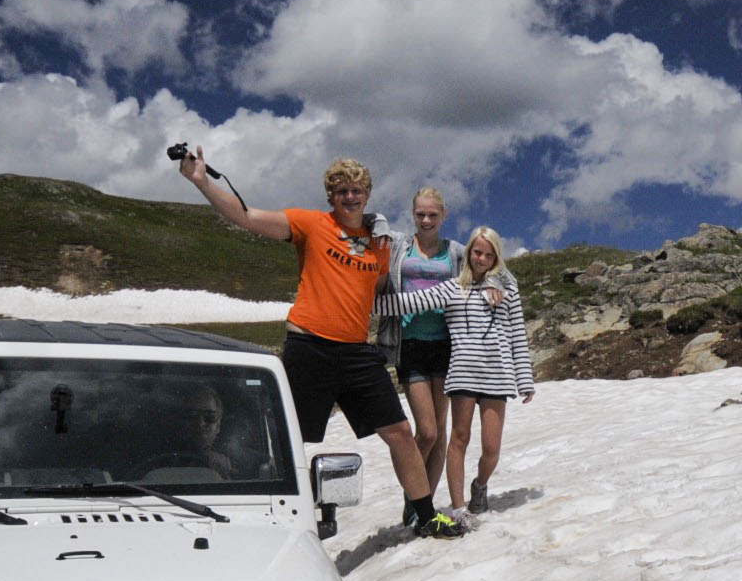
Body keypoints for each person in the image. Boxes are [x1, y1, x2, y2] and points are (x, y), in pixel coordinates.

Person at [176, 147, 464, 539]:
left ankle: (425, 515)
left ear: (368, 194)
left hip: (358, 352)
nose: (350, 196)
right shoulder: (309, 224)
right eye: (341, 190)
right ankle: (258, 515)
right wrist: (202, 182)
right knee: (289, 437)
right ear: (331, 196)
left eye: (357, 190)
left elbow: (390, 286)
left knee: (399, 431)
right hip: (309, 347)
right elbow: (246, 217)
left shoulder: (380, 243)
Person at [377, 226, 533, 521]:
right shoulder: (453, 288)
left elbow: (517, 336)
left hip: (496, 375)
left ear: (496, 256)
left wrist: (524, 379)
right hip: (461, 373)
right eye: (477, 252)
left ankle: (480, 484)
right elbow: (410, 302)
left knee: (491, 450)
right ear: (468, 253)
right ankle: (459, 507)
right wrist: (357, 302)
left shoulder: (506, 289)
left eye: (489, 254)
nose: (482, 258)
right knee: (458, 439)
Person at [393, 187, 462, 509]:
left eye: (432, 215)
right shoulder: (400, 248)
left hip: (446, 346)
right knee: (428, 432)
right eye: (420, 214)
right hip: (409, 344)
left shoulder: (456, 252)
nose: (425, 220)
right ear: (413, 214)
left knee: (440, 431)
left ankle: (426, 505)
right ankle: (415, 498)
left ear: (443, 216)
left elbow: (490, 268)